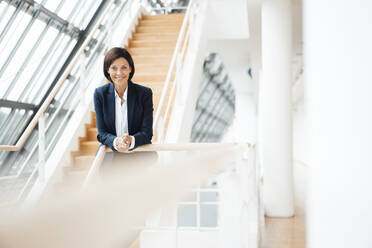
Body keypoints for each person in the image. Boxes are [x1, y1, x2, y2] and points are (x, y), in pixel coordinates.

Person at [93, 47, 153, 152]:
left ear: (130, 69)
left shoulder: (144, 94)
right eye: (114, 68)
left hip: (137, 150)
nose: (119, 73)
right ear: (107, 70)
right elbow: (101, 134)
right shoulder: (100, 94)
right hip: (111, 150)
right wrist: (116, 142)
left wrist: (131, 140)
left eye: (124, 67)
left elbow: (147, 133)